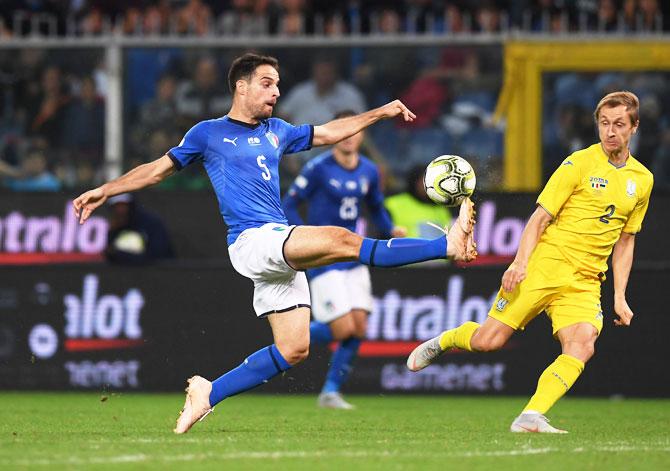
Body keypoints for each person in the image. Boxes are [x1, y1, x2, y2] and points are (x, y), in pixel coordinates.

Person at [72, 52, 477, 435]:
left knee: (294, 348)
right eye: (267, 84)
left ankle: (209, 392)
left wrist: (381, 112)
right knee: (343, 239)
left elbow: (329, 132)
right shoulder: (208, 134)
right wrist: (107, 190)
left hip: (276, 245)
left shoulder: (277, 131)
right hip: (252, 240)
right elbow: (157, 170)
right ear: (242, 87)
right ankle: (446, 246)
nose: (276, 92)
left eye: (278, 85)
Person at [407, 91, 653, 433]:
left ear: (634, 127)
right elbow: (539, 219)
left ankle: (531, 415)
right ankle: (448, 339)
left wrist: (620, 295)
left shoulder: (643, 180)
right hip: (544, 267)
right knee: (487, 342)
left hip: (585, 281)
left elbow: (626, 240)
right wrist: (520, 264)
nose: (611, 132)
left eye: (619, 125)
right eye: (604, 123)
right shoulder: (577, 164)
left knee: (582, 345)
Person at [282, 110, 406, 410]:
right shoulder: (318, 168)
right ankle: (289, 335)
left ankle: (330, 392)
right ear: (335, 133)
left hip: (352, 254)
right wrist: (303, 237)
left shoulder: (368, 170)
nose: (350, 137)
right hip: (325, 256)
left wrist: (391, 228)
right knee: (343, 330)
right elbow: (289, 204)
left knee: (359, 330)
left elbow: (376, 207)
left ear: (362, 134)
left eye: (355, 131)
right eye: (344, 131)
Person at [384, 164, 452, 239]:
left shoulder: (441, 209)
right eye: (424, 180)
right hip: (403, 249)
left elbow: (448, 239)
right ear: (414, 181)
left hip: (434, 250)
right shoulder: (393, 203)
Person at [105, 193, 175, 265]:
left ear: (131, 206)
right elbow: (110, 255)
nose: (120, 210)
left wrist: (120, 255)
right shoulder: (114, 228)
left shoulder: (151, 224)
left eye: (123, 205)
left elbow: (157, 257)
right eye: (116, 206)